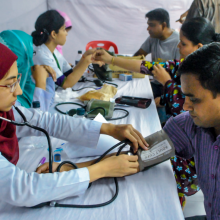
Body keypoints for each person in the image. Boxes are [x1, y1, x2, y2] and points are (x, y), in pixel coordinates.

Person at [0, 43, 148, 207]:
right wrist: (100, 170)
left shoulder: (7, 114)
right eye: (10, 84)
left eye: (17, 80)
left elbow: (47, 121)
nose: (19, 91)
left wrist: (108, 128)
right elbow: (23, 190)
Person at [94, 17, 220, 208]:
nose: (186, 107)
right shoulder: (188, 124)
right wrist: (79, 170)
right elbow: (141, 156)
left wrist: (168, 84)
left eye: (194, 99)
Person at [163, 42, 220, 220]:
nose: (185, 106)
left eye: (194, 99)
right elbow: (147, 150)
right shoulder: (192, 124)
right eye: (185, 95)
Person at [32, 10, 101, 104]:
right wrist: (86, 62)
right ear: (53, 34)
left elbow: (70, 74)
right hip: (41, 101)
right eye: (64, 29)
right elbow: (66, 83)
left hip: (52, 96)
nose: (66, 33)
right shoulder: (42, 55)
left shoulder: (52, 51)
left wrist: (85, 57)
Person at [0, 30, 56, 111]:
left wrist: (47, 78)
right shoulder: (8, 102)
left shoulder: (23, 80)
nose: (31, 62)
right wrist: (41, 83)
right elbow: (37, 119)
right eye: (28, 56)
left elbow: (49, 103)